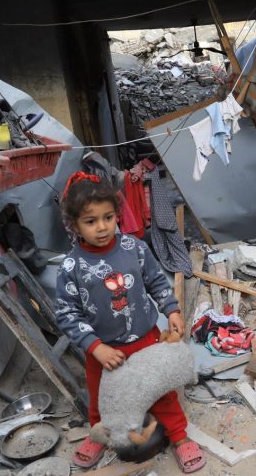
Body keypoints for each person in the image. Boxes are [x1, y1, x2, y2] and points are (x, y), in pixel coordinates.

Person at [55, 171, 205, 473]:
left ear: (117, 215)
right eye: (91, 221)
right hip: (103, 350)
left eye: (108, 217)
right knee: (102, 398)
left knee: (161, 393)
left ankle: (179, 436)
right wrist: (95, 347)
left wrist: (172, 310)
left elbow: (157, 282)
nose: (102, 227)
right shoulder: (71, 266)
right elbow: (67, 314)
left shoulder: (133, 248)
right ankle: (100, 435)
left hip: (146, 340)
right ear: (74, 225)